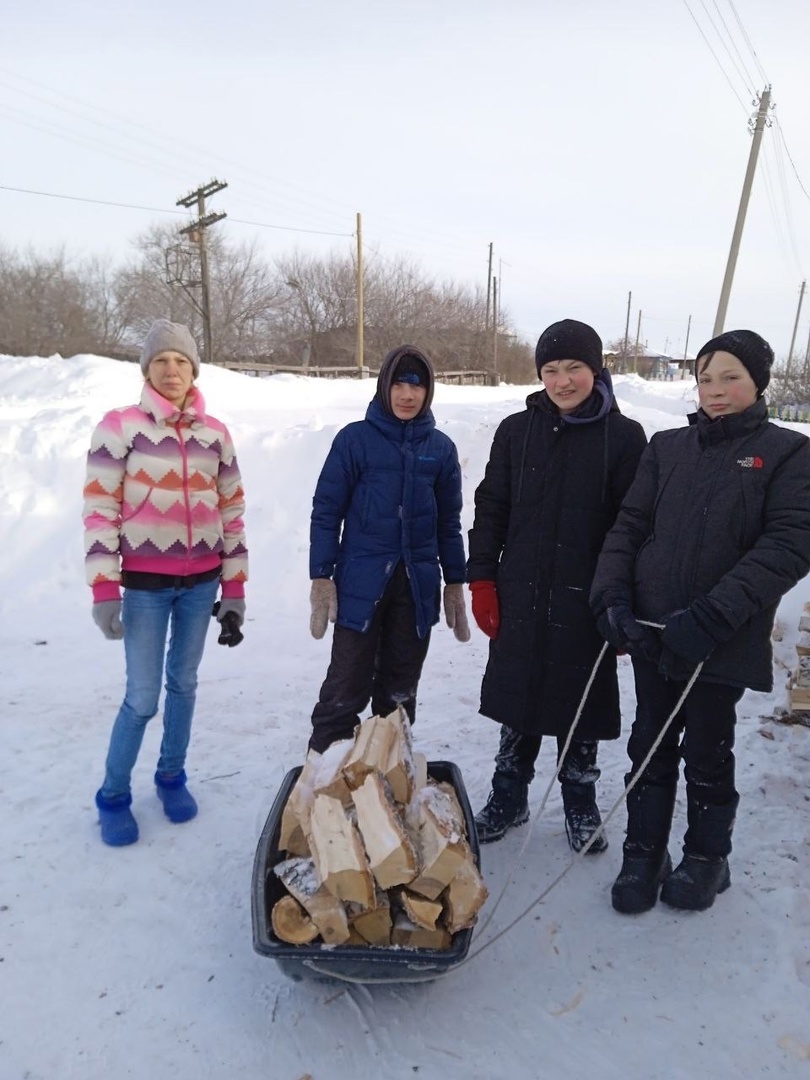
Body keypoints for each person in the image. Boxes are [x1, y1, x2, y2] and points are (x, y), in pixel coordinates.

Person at [591, 329, 810, 913]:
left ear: (758, 381)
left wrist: (712, 615)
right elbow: (630, 527)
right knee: (648, 742)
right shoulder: (667, 448)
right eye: (706, 378)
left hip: (721, 636)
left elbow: (787, 544)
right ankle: (644, 851)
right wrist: (611, 596)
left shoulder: (788, 453)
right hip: (654, 630)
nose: (715, 390)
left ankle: (708, 858)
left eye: (730, 377)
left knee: (708, 748)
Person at [467, 319, 647, 850]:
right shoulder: (516, 432)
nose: (563, 380)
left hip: (587, 596)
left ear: (596, 369)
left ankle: (580, 800)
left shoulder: (624, 437)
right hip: (520, 588)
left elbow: (633, 528)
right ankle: (509, 794)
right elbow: (491, 508)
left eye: (574, 368)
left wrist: (621, 602)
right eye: (550, 369)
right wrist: (481, 580)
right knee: (517, 695)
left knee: (582, 701)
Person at [84, 319, 248, 847]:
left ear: (194, 369)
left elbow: (233, 513)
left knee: (185, 685)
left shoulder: (215, 434)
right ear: (147, 370)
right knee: (142, 697)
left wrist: (235, 590)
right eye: (161, 361)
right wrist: (106, 590)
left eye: (181, 361)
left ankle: (171, 775)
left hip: (201, 585)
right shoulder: (121, 427)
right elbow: (99, 511)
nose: (172, 370)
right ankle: (113, 795)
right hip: (146, 589)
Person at [307, 344, 469, 752]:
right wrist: (322, 576)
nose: (407, 395)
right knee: (345, 687)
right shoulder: (355, 441)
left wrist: (455, 582)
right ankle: (323, 781)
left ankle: (387, 778)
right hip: (361, 584)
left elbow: (449, 523)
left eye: (417, 386)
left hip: (415, 590)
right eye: (399, 383)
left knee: (399, 693)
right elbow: (327, 510)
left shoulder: (441, 449)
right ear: (384, 386)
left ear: (429, 391)